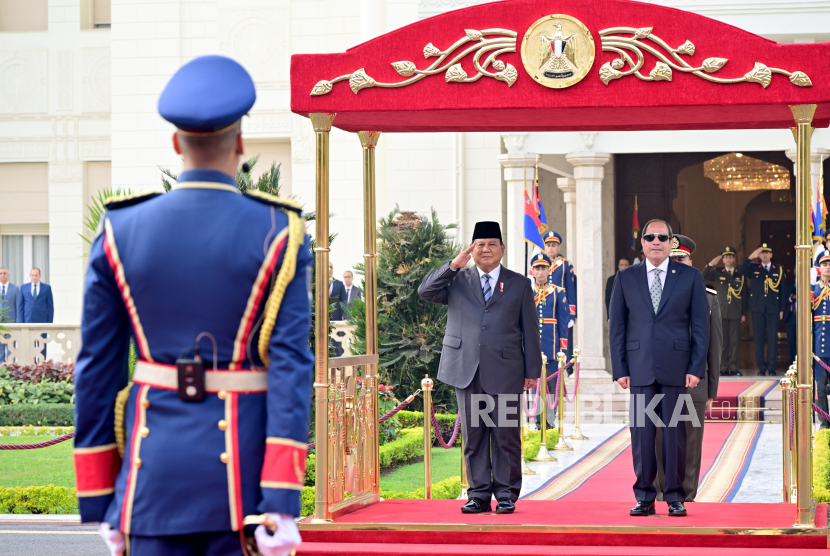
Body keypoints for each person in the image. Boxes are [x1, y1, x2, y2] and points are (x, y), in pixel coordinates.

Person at [72, 55, 312, 556]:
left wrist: (105, 500)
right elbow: (290, 366)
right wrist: (283, 502)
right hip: (242, 486)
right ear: (241, 143)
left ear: (176, 144)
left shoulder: (119, 229)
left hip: (148, 479)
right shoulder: (279, 233)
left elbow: (97, 367)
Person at [419, 221, 541, 515]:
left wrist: (532, 371)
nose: (486, 250)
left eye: (491, 244)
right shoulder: (457, 280)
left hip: (507, 369)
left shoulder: (519, 283)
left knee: (506, 436)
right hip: (467, 368)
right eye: (479, 245)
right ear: (471, 249)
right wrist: (454, 264)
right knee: (473, 436)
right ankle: (479, 495)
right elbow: (426, 290)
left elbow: (530, 330)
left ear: (501, 249)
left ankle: (507, 494)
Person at [609, 219, 709, 517]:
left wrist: (695, 367)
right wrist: (620, 368)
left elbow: (700, 328)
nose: (656, 242)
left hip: (677, 369)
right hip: (639, 368)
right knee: (642, 434)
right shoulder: (625, 278)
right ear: (642, 243)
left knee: (675, 434)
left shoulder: (690, 277)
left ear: (670, 242)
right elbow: (617, 327)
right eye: (650, 237)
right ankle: (644, 496)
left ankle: (675, 496)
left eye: (662, 237)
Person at [655, 235, 721, 502]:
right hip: (660, 382)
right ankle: (660, 493)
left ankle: (686, 494)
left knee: (691, 443)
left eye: (683, 259)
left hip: (695, 385)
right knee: (659, 439)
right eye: (674, 260)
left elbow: (714, 347)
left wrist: (711, 391)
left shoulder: (708, 298)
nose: (679, 264)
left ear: (691, 263)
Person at [530, 253, 569, 428]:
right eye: (537, 268)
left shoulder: (558, 292)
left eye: (543, 268)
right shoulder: (528, 292)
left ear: (548, 270)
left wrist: (563, 349)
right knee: (535, 386)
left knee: (552, 386)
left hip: (552, 348)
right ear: (532, 271)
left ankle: (550, 423)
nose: (540, 272)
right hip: (533, 349)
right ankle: (539, 424)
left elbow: (562, 322)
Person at [737, 243, 785, 376]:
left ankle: (772, 367)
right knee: (758, 338)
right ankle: (761, 368)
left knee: (772, 339)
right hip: (757, 307)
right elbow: (740, 270)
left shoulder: (778, 270)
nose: (764, 254)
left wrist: (781, 309)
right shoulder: (753, 268)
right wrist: (751, 256)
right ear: (759, 255)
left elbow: (781, 291)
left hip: (773, 308)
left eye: (767, 252)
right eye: (762, 252)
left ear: (771, 255)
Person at [702, 246, 747, 376]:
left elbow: (744, 295)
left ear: (734, 259)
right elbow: (701, 276)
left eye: (731, 256)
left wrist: (744, 313)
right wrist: (710, 264)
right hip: (721, 311)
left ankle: (733, 368)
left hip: (735, 312)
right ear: (723, 259)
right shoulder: (717, 272)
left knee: (734, 342)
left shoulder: (740, 274)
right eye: (726, 257)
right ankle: (723, 367)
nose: (728, 259)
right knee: (722, 342)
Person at [543, 231, 576, 368]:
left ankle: (565, 365)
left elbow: (571, 290)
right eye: (548, 245)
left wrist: (572, 313)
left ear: (559, 247)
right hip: (546, 307)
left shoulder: (565, 265)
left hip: (561, 306)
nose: (551, 248)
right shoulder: (540, 264)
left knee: (563, 336)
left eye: (554, 245)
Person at [18, 268, 54, 361]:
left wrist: (49, 324)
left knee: (42, 347)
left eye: (36, 275)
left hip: (42, 321)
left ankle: (42, 366)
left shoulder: (47, 288)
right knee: (30, 347)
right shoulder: (23, 287)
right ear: (30, 276)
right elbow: (20, 307)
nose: (34, 277)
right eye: (32, 275)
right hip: (28, 322)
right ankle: (31, 366)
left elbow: (50, 307)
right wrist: (21, 323)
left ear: (40, 276)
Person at [813, 252, 830, 429]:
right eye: (824, 264)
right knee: (821, 388)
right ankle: (824, 424)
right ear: (819, 267)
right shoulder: (813, 289)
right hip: (819, 348)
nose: (828, 267)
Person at [0, 267, 19, 364]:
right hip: (0, 324)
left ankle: (11, 367)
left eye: (4, 273)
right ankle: (1, 367)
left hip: (11, 322)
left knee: (11, 346)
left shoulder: (15, 289)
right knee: (0, 347)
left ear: (8, 274)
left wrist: (18, 322)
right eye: (1, 273)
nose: (2, 275)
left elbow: (17, 306)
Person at [784, 279, 797, 367]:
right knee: (791, 341)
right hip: (791, 316)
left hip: (804, 317)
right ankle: (792, 364)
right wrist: (791, 299)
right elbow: (783, 300)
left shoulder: (808, 283)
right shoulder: (789, 285)